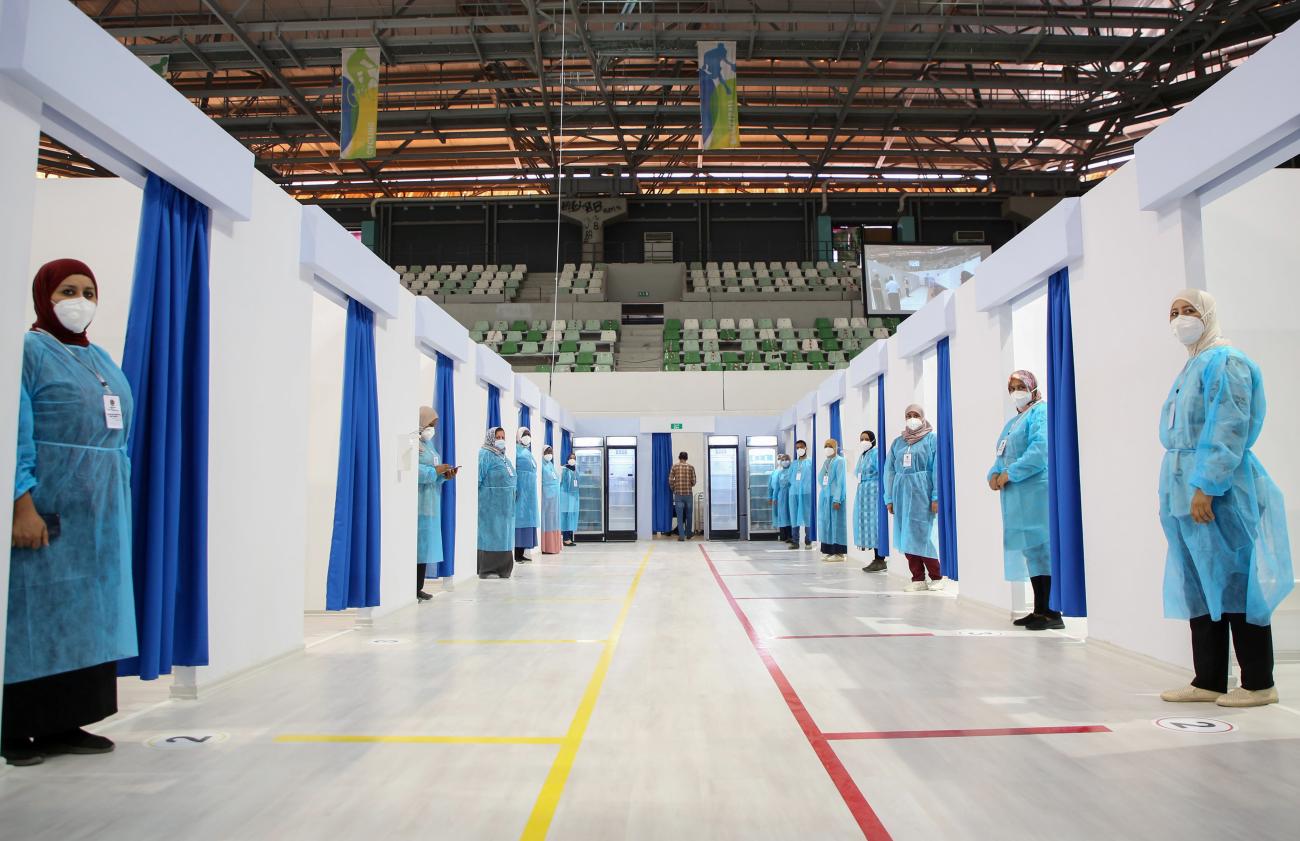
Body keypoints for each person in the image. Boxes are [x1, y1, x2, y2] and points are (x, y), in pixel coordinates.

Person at [4, 259, 136, 767]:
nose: (79, 300)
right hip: (48, 505)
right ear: (44, 296)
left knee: (87, 618)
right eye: (67, 290)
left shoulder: (100, 358)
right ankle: (15, 729)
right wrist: (22, 502)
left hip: (101, 511)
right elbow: (14, 430)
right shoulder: (29, 352)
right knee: (35, 615)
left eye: (88, 291)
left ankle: (65, 723)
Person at [1158, 290, 1292, 708]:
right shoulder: (1192, 364)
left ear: (1209, 315)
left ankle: (1258, 682)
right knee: (1198, 583)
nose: (1181, 319)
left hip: (1219, 488)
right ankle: (1209, 679)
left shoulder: (1226, 361)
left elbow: (1229, 427)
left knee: (1235, 583)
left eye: (1189, 311)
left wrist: (1207, 486)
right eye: (1174, 313)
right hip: (1182, 484)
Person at [987, 371, 1057, 629]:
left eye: (1021, 386)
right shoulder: (1014, 422)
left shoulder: (1040, 412)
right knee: (1032, 552)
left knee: (1043, 548)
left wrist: (1011, 473)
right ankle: (1039, 609)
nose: (1017, 391)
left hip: (1035, 491)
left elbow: (1040, 451)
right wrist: (993, 473)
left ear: (1033, 388)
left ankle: (1052, 611)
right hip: (1017, 495)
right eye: (1013, 387)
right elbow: (1001, 454)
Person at [885, 405, 942, 592]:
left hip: (923, 492)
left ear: (923, 417)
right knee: (907, 535)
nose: (912, 418)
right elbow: (889, 471)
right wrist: (889, 498)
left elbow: (936, 470)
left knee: (925, 535)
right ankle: (917, 578)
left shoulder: (931, 440)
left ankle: (937, 576)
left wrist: (936, 496)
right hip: (901, 494)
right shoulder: (898, 442)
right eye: (908, 415)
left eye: (915, 415)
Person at [416, 407, 457, 602]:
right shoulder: (414, 445)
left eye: (434, 426)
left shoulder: (430, 446)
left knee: (424, 549)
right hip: (418, 504)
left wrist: (444, 476)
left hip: (431, 502)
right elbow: (414, 472)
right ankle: (411, 588)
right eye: (430, 425)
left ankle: (418, 587)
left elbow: (434, 474)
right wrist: (434, 471)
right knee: (416, 548)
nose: (432, 429)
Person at [477, 427, 515, 579]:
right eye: (497, 437)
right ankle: (487, 569)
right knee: (491, 535)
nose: (500, 440)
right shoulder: (485, 454)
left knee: (504, 536)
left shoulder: (503, 457)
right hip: (490, 506)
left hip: (505, 507)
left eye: (502, 437)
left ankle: (503, 568)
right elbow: (478, 479)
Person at [855, 431, 886, 573]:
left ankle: (880, 559)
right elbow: (857, 473)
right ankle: (876, 558)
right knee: (868, 526)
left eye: (866, 439)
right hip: (864, 493)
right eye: (861, 439)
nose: (863, 441)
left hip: (874, 492)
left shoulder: (875, 453)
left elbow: (882, 472)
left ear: (873, 440)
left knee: (875, 524)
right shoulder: (863, 456)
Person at [817, 439, 848, 561]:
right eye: (825, 446)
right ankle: (829, 550)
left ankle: (839, 553)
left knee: (836, 524)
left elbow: (841, 481)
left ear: (835, 447)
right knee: (827, 524)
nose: (827, 448)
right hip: (826, 497)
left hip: (835, 497)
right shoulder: (827, 462)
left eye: (830, 446)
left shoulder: (840, 461)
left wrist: (837, 499)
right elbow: (821, 478)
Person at [513, 427, 539, 563]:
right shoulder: (516, 450)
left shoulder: (528, 452)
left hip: (530, 493)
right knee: (519, 520)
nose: (527, 437)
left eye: (529, 435)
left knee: (528, 520)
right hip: (521, 490)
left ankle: (522, 552)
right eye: (525, 435)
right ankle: (516, 553)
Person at [787, 440, 814, 549]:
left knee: (807, 516)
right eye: (797, 448)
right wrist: (795, 486)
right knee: (794, 516)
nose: (799, 449)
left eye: (801, 447)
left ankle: (808, 541)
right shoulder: (794, 464)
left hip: (806, 492)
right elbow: (790, 477)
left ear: (806, 448)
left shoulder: (810, 462)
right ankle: (795, 541)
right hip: (794, 493)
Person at [539, 446, 563, 554]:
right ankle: (547, 547)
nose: (549, 454)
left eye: (551, 452)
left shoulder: (550, 465)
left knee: (555, 520)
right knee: (548, 520)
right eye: (547, 452)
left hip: (555, 499)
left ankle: (555, 546)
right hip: (547, 498)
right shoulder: (542, 465)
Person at [669, 451, 696, 541]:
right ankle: (688, 534)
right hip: (688, 495)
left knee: (680, 516)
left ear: (679, 457)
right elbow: (694, 481)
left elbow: (670, 480)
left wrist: (674, 488)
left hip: (678, 495)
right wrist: (689, 485)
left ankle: (681, 536)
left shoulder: (674, 467)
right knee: (689, 515)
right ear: (686, 458)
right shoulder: (691, 467)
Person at [770, 454, 792, 544]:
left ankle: (791, 536)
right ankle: (785, 536)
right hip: (781, 496)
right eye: (782, 460)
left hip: (790, 495)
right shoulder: (779, 473)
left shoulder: (792, 471)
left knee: (791, 515)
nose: (784, 461)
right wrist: (774, 498)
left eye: (786, 459)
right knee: (783, 515)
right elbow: (776, 487)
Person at [560, 453, 580, 546]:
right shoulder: (564, 469)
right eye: (571, 458)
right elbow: (562, 483)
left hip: (573, 497)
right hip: (565, 497)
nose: (572, 459)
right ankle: (565, 538)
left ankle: (569, 537)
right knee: (565, 517)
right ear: (567, 459)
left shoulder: (576, 470)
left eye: (574, 458)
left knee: (571, 517)